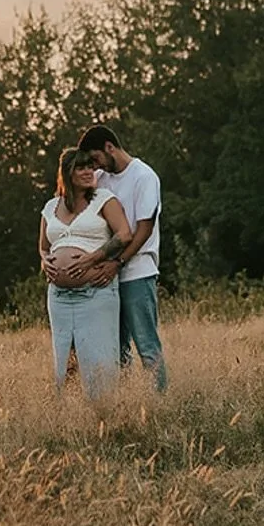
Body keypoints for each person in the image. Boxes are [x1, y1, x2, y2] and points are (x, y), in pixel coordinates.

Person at [75, 123, 167, 392]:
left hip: (137, 272)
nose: (94, 166)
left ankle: (159, 403)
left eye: (95, 159)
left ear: (109, 147)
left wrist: (118, 263)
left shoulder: (144, 176)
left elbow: (144, 229)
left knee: (147, 345)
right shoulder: (102, 179)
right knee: (116, 347)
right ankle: (125, 404)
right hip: (107, 276)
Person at [39, 147, 132, 399]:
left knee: (99, 360)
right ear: (68, 173)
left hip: (96, 292)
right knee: (65, 361)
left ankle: (104, 412)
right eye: (81, 167)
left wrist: (93, 258)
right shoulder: (51, 207)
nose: (89, 171)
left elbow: (124, 234)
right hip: (59, 297)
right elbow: (44, 246)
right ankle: (69, 416)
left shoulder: (104, 199)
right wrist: (45, 261)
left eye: (91, 166)